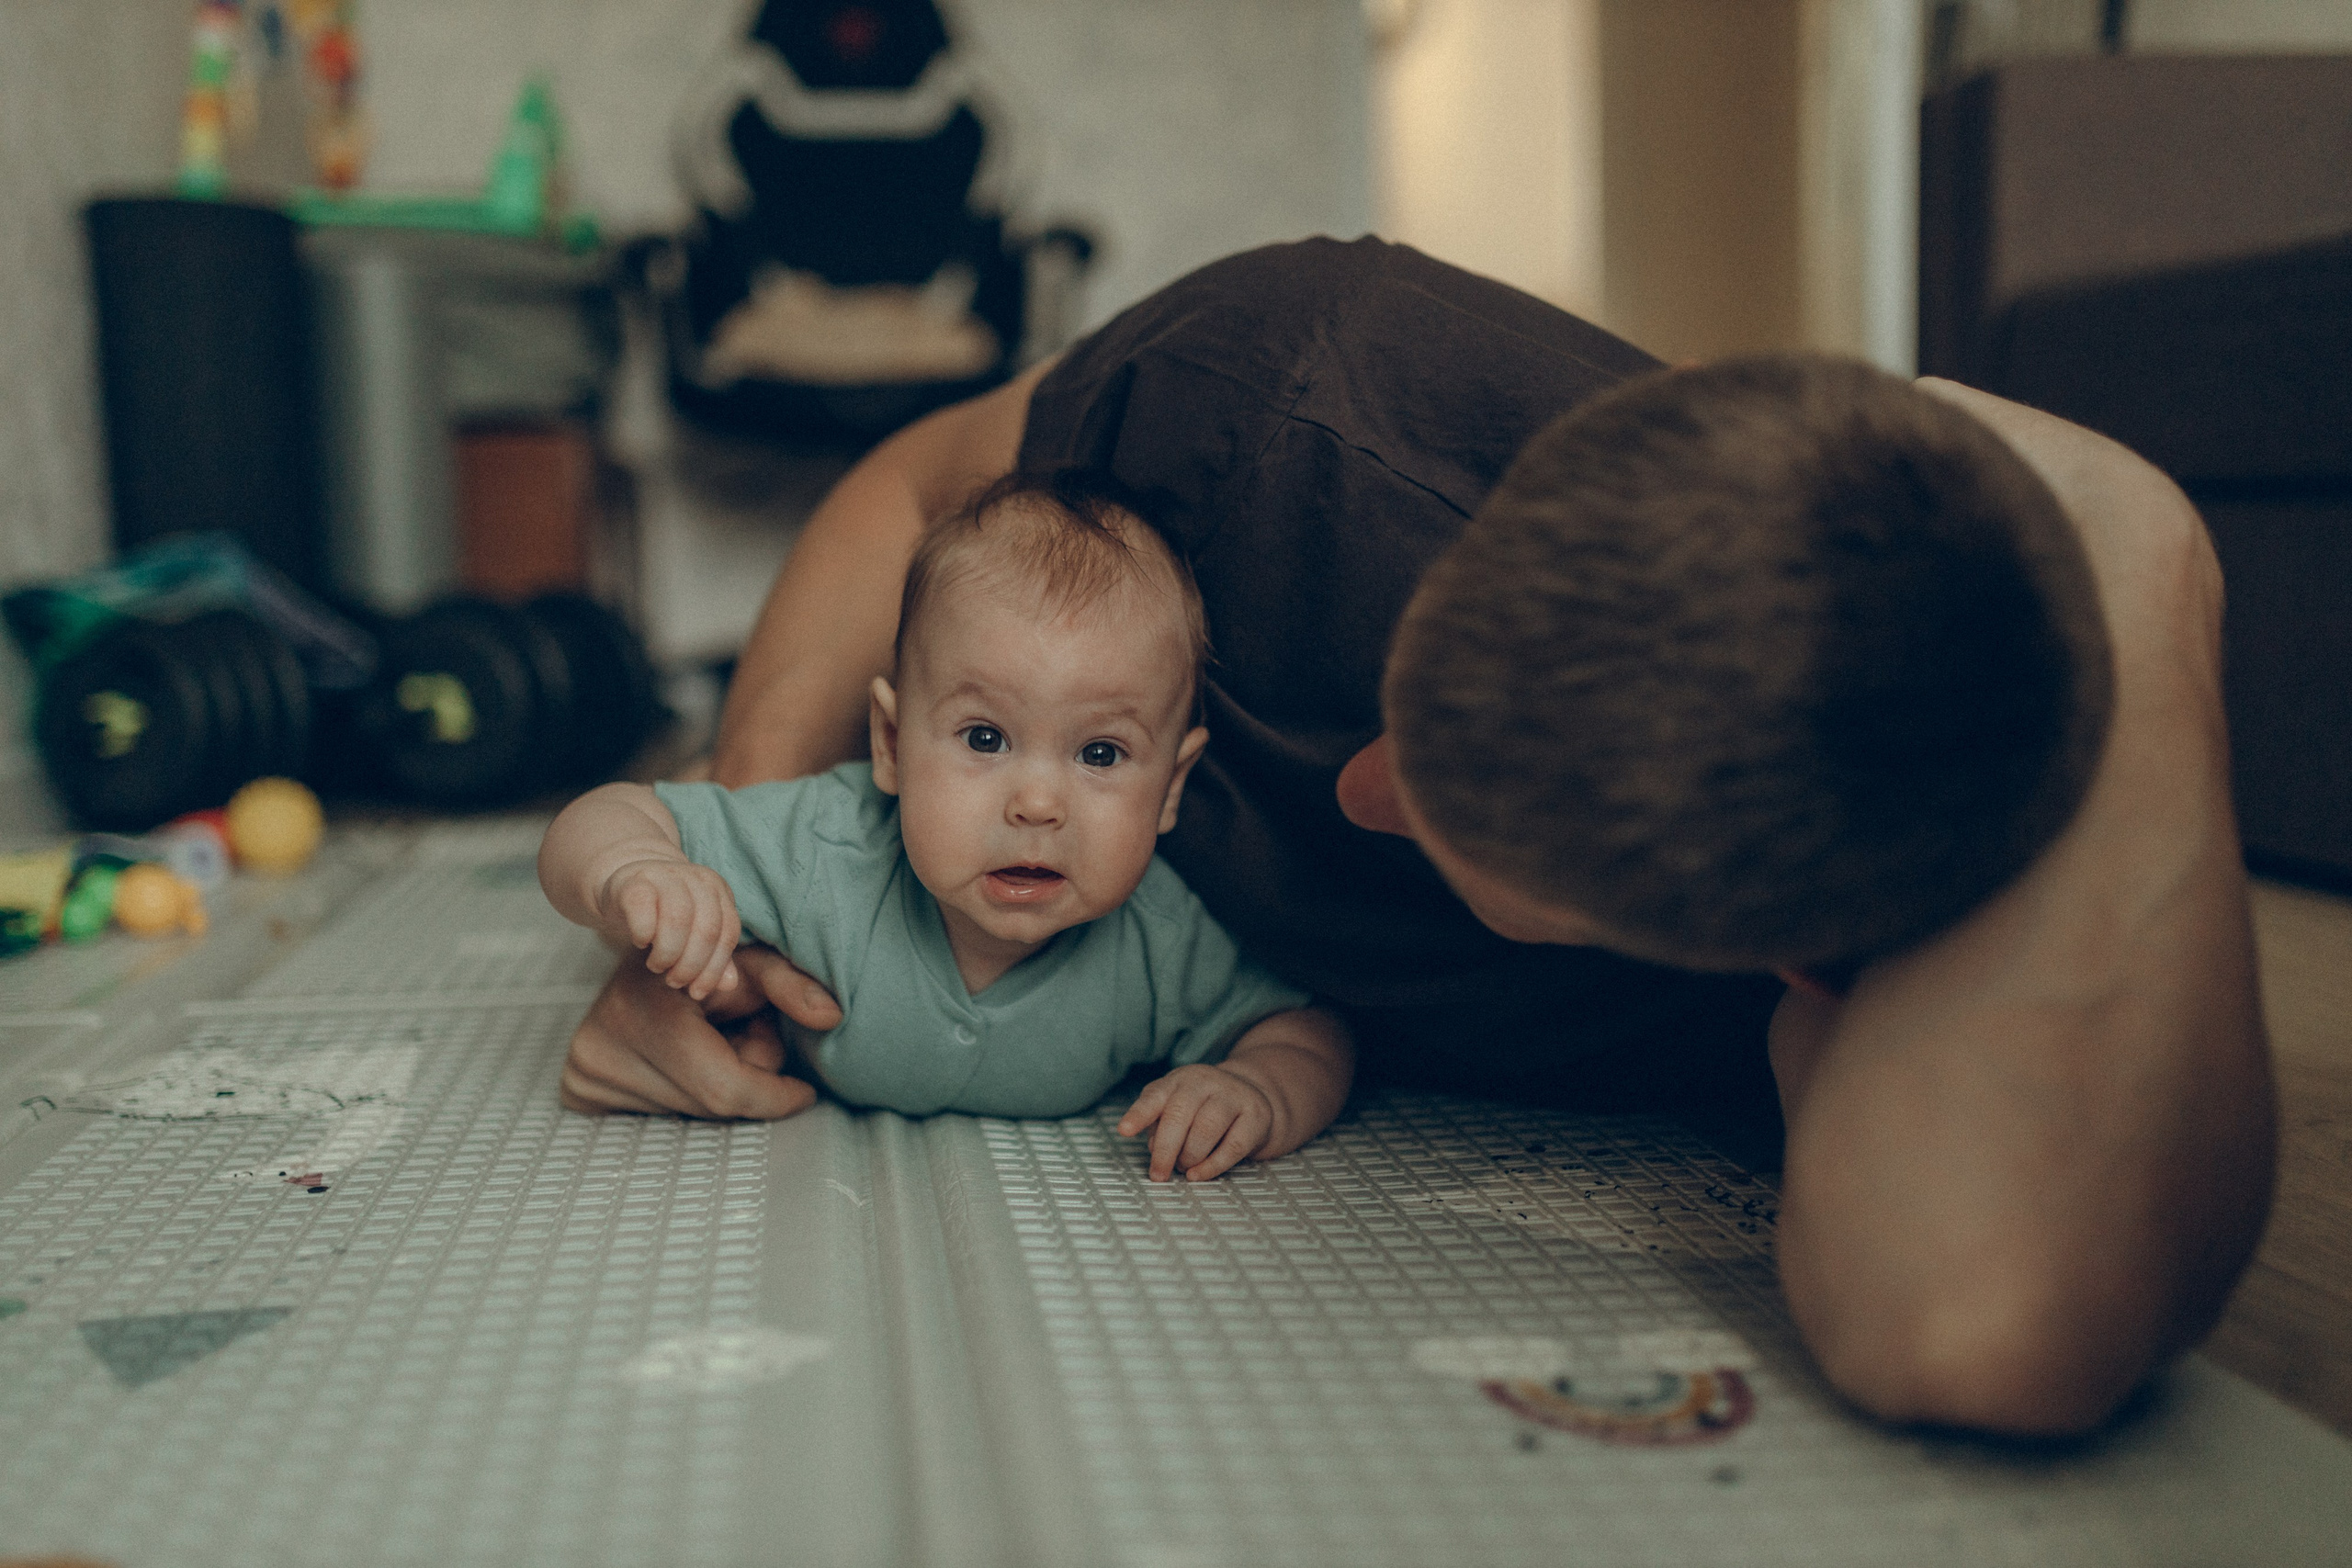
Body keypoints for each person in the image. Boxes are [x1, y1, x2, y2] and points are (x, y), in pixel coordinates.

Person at [560, 238, 2273, 1438]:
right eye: (1398, 710)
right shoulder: (1300, 386)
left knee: (1974, 1325)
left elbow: (1987, 1334)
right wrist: (733, 907)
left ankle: (2125, 553)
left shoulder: (1825, 920)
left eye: (1446, 823)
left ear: (1718, 943)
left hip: (1914, 851)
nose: (1354, 795)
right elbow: (922, 491)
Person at [539, 469, 1353, 1183]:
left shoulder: (1161, 936)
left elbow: (1309, 1030)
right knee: (698, 799)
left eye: (1101, 753)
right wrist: (634, 871)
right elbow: (602, 814)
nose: (1038, 803)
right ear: (891, 745)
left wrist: (1257, 1091)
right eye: (986, 738)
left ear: (1171, 786)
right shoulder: (827, 847)